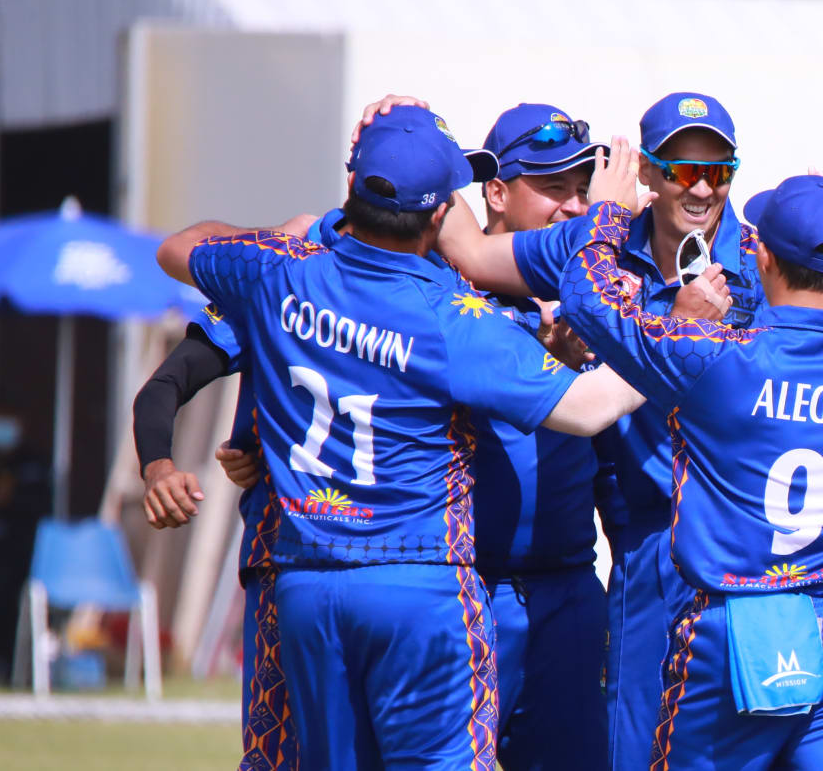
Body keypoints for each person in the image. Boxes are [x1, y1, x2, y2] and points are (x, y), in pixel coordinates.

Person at [156, 105, 644, 770]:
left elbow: (177, 247)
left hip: (308, 582)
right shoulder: (446, 314)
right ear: (442, 216)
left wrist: (294, 233)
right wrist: (690, 344)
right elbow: (591, 410)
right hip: (419, 580)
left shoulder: (281, 270)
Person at [555, 150, 823, 769]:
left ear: (761, 259)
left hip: (731, 623)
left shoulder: (715, 360)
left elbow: (585, 298)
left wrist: (606, 214)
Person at [435, 91, 756, 769]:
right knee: (627, 748)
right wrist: (413, 132)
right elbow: (466, 247)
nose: (699, 187)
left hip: (747, 548)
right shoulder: (593, 247)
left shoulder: (761, 260)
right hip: (642, 546)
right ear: (646, 172)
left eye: (716, 170)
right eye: (680, 168)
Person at [132, 210, 324, 771]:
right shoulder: (284, 276)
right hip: (285, 562)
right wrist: (158, 467)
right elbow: (162, 388)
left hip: (397, 568)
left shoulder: (436, 282)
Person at [468, 102, 611, 770]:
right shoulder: (446, 294)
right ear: (495, 191)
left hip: (569, 588)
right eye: (554, 187)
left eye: (583, 189)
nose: (574, 206)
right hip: (467, 587)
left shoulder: (601, 296)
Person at [0, 404, 46, 686]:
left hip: (16, 554)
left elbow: (41, 505)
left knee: (10, 605)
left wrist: (7, 499)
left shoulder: (32, 461)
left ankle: (6, 665)